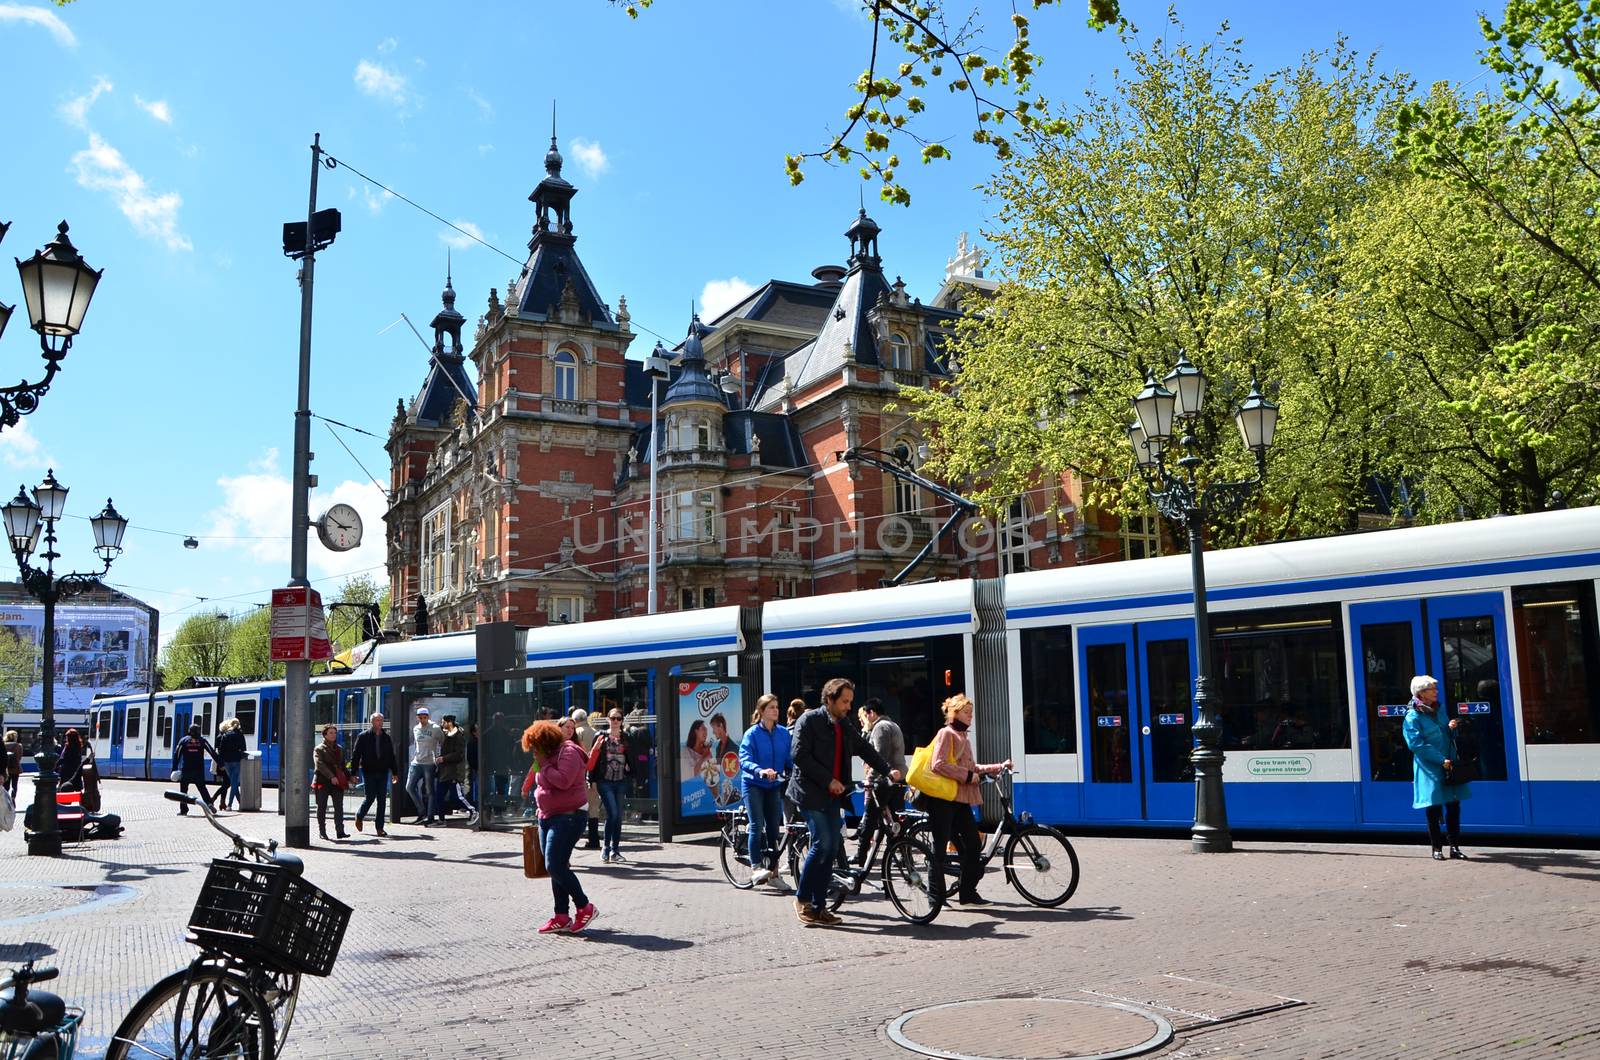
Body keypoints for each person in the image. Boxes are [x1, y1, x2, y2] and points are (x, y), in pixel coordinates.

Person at [787, 678, 901, 926]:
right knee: (823, 843)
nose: (849, 706)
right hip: (809, 792)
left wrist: (887, 769)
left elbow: (864, 748)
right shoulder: (809, 720)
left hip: (831, 794)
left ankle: (819, 907)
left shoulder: (844, 724)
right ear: (829, 699)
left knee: (831, 848)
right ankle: (803, 900)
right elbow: (799, 755)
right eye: (844, 701)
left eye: (850, 701)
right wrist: (828, 780)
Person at [917, 693, 1011, 906]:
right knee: (939, 849)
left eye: (971, 713)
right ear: (955, 712)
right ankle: (935, 898)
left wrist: (997, 766)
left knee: (973, 844)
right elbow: (938, 764)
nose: (971, 716)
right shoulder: (946, 733)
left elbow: (972, 768)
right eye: (967, 712)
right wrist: (968, 777)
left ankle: (967, 894)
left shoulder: (963, 737)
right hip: (942, 799)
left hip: (959, 800)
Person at [521, 720, 599, 935]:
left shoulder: (569, 752)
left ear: (545, 743)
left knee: (554, 865)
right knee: (557, 867)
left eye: (536, 748)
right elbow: (540, 779)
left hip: (569, 817)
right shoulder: (545, 756)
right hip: (548, 816)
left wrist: (544, 764)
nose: (534, 753)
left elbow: (563, 781)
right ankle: (561, 916)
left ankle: (585, 906)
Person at [1402, 675, 1471, 860]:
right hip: (1430, 768)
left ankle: (1454, 847)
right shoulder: (1412, 717)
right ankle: (1436, 848)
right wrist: (1441, 759)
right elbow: (1416, 745)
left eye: (1435, 688)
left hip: (1448, 764)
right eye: (1432, 689)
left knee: (1454, 806)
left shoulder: (1439, 711)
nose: (1436, 691)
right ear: (1421, 693)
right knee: (1433, 808)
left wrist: (1451, 727)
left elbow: (1445, 735)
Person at [739, 693, 793, 889]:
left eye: (777, 707)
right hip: (754, 784)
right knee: (757, 824)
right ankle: (756, 868)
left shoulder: (783, 733)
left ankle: (774, 874)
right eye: (771, 707)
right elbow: (744, 760)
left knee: (773, 829)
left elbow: (789, 759)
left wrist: (794, 770)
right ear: (761, 711)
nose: (776, 710)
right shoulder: (751, 734)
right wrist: (760, 770)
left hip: (774, 785)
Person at [854, 698, 907, 865]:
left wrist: (870, 778)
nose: (866, 717)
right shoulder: (894, 725)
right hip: (898, 779)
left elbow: (879, 757)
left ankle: (861, 856)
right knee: (895, 820)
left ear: (872, 713)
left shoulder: (880, 727)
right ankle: (901, 855)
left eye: (867, 714)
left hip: (884, 781)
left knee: (870, 818)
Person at [587, 708, 633, 863]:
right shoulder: (600, 736)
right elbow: (592, 758)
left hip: (620, 781)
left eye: (619, 718)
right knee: (612, 813)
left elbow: (632, 757)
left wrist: (631, 770)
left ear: (622, 721)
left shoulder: (626, 737)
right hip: (604, 781)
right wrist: (591, 779)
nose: (615, 721)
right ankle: (606, 848)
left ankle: (615, 850)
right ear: (608, 719)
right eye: (613, 718)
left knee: (618, 816)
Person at [349, 712, 400, 835]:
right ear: (372, 722)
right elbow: (356, 755)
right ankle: (360, 815)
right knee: (370, 797)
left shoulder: (386, 737)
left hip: (383, 772)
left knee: (382, 799)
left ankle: (379, 828)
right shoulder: (363, 736)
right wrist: (353, 773)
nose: (380, 723)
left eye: (381, 720)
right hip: (369, 771)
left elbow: (391, 756)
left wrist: (395, 772)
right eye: (377, 720)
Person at [435, 714, 477, 825]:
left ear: (449, 723)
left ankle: (473, 810)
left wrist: (443, 758)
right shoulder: (447, 733)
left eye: (443, 722)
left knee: (457, 797)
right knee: (439, 796)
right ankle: (441, 820)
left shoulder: (458, 736)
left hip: (454, 772)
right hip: (445, 771)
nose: (441, 724)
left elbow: (459, 755)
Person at [172, 723, 222, 815]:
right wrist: (220, 764)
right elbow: (212, 752)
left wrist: (174, 768)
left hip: (186, 769)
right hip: (199, 770)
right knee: (202, 788)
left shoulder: (183, 741)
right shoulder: (202, 741)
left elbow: (177, 754)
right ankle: (209, 804)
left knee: (183, 790)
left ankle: (184, 809)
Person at [312, 724, 350, 840]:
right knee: (322, 807)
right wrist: (331, 776)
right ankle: (322, 832)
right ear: (325, 735)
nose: (333, 735)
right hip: (323, 781)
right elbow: (320, 765)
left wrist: (350, 777)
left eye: (335, 733)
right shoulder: (319, 749)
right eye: (331, 733)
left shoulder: (340, 749)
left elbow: (343, 766)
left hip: (337, 783)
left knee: (339, 807)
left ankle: (340, 831)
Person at [573, 708, 603, 850]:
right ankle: (594, 839)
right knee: (593, 808)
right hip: (594, 776)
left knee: (577, 807)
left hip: (581, 777)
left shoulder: (577, 733)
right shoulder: (594, 732)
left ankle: (573, 837)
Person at [406, 706, 441, 825]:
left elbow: (443, 741)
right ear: (417, 718)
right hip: (416, 762)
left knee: (430, 790)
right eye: (420, 717)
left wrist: (438, 757)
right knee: (409, 787)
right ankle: (422, 812)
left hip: (429, 763)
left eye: (425, 717)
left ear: (428, 717)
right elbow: (416, 744)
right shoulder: (416, 728)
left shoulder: (435, 728)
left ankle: (430, 816)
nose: (422, 720)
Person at [216, 718, 247, 810]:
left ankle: (241, 803)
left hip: (227, 762)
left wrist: (221, 763)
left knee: (233, 782)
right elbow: (243, 748)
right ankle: (229, 805)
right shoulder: (240, 735)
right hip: (236, 760)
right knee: (234, 783)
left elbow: (221, 750)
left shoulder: (225, 735)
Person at [4, 729, 21, 800]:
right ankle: (13, 798)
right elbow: (19, 757)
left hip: (6, 769)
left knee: (6, 786)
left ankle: (6, 798)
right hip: (16, 768)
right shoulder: (18, 746)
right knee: (14, 785)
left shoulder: (3, 745)